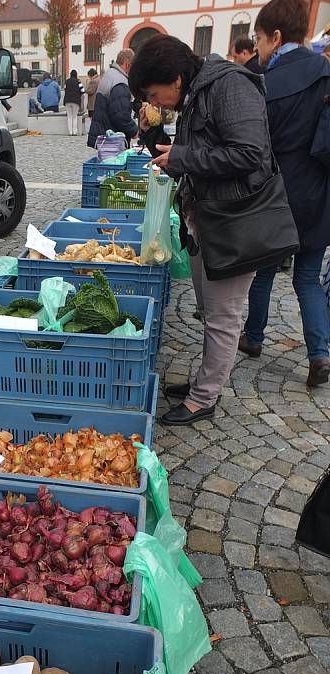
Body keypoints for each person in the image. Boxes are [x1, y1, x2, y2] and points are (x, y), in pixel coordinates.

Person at [130, 35, 274, 426]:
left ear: (175, 78)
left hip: (236, 222)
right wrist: (151, 137)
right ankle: (203, 382)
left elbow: (250, 153)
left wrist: (184, 154)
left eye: (153, 92)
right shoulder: (196, 92)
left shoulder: (230, 85)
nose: (153, 100)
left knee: (223, 316)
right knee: (210, 310)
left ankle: (203, 398)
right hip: (206, 218)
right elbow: (181, 159)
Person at [239, 0, 330, 386]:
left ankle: (254, 338)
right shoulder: (325, 71)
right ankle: (320, 354)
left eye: (259, 39)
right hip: (317, 191)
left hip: (277, 194)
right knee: (307, 277)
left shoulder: (265, 83)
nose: (257, 47)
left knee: (262, 271)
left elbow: (255, 146)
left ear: (275, 37)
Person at [87, 49, 138, 147]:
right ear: (127, 64)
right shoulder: (119, 82)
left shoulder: (110, 74)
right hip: (113, 139)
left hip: (104, 135)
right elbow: (120, 115)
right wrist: (134, 131)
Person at [63, 69, 86, 135]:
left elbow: (65, 89)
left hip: (67, 101)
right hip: (76, 101)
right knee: (74, 116)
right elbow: (83, 91)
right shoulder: (78, 82)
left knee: (69, 116)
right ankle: (75, 131)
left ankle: (70, 132)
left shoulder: (67, 81)